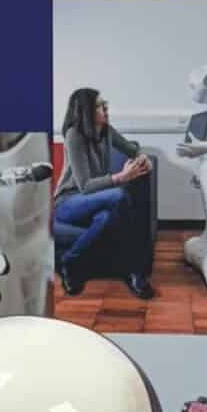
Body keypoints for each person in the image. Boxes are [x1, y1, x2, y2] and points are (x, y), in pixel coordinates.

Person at [50, 87, 157, 296]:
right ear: (86, 111)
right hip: (68, 202)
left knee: (107, 217)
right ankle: (135, 270)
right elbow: (86, 186)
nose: (106, 108)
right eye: (99, 105)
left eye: (104, 104)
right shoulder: (74, 135)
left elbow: (133, 149)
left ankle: (70, 261)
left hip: (95, 201)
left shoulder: (107, 131)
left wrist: (143, 159)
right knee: (119, 195)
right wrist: (121, 177)